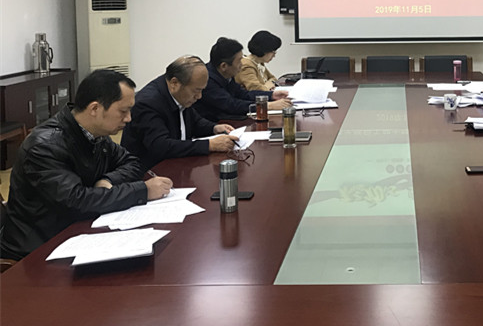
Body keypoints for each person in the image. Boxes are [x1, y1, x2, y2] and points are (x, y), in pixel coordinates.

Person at [1, 70, 173, 261]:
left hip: (76, 231)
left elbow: (131, 162)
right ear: (94, 109)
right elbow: (77, 202)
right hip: (37, 250)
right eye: (123, 111)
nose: (128, 118)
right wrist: (142, 191)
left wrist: (108, 180)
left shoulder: (96, 135)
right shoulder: (44, 145)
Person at [121, 55, 238, 170]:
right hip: (149, 172)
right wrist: (209, 145)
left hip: (177, 165)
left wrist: (214, 128)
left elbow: (194, 121)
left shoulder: (180, 94)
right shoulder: (148, 104)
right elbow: (161, 146)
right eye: (197, 90)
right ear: (175, 83)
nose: (199, 96)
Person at [193, 37, 291, 122]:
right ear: (224, 66)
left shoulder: (227, 74)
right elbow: (231, 105)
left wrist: (271, 95)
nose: (242, 64)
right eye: (239, 61)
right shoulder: (207, 80)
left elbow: (243, 94)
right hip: (215, 125)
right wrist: (268, 105)